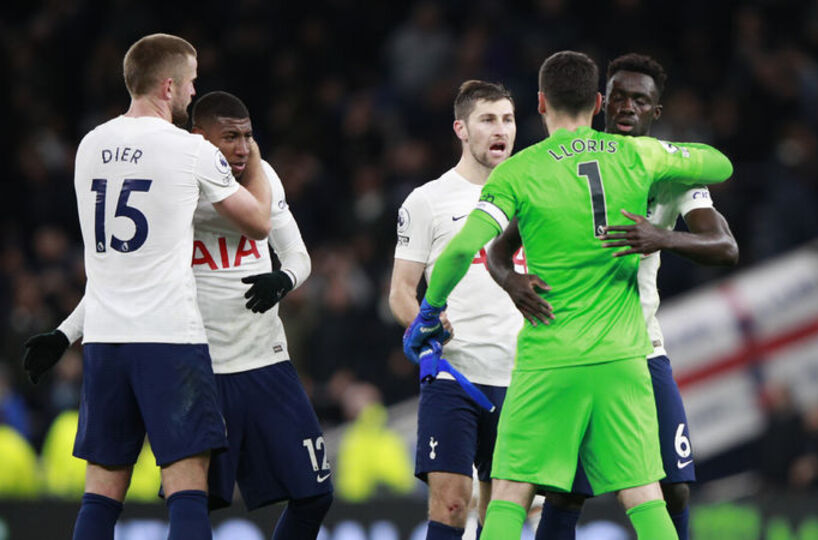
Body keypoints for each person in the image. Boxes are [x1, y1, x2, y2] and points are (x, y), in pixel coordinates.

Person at [402, 51, 733, 540]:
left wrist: (429, 312)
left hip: (547, 359)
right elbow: (720, 164)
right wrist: (672, 152)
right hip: (622, 359)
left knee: (509, 493)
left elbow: (459, 252)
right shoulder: (639, 156)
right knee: (645, 496)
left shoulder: (520, 171)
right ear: (598, 103)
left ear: (539, 103)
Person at [25, 91, 333, 540]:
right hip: (200, 369)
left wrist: (282, 280)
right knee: (191, 501)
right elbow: (125, 280)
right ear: (200, 139)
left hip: (266, 362)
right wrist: (66, 332)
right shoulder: (173, 186)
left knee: (315, 495)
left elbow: (298, 255)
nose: (242, 148)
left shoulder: (264, 177)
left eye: (247, 136)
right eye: (230, 137)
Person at [388, 80, 521, 540]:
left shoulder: (533, 195)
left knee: (503, 514)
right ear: (461, 129)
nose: (500, 129)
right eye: (488, 119)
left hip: (521, 376)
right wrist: (423, 322)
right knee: (451, 505)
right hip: (454, 375)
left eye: (508, 119)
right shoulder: (428, 200)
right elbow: (401, 292)